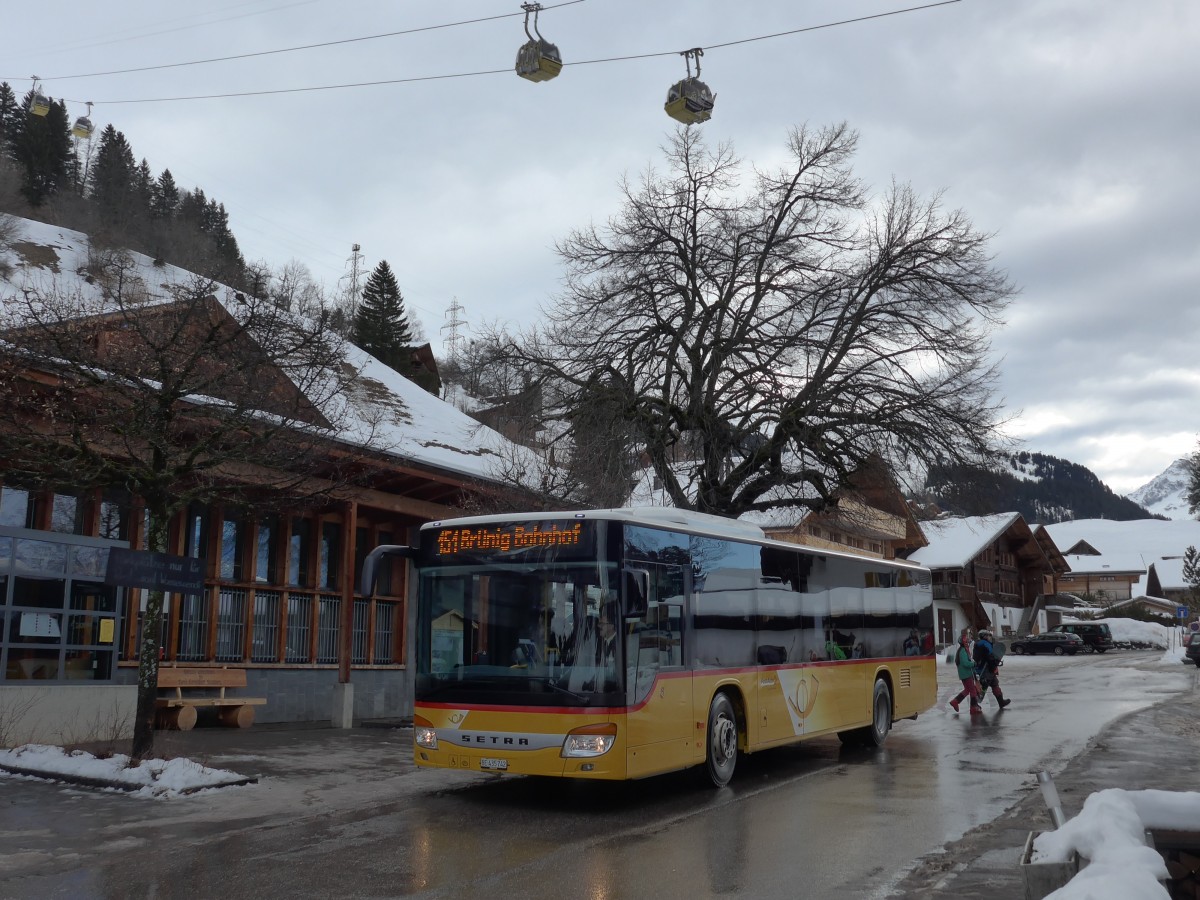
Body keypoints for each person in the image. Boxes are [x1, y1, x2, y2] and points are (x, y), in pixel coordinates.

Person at [973, 629, 1010, 708]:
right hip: (987, 669)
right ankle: (974, 704)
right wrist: (994, 665)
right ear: (984, 636)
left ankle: (1001, 702)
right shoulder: (986, 644)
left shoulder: (977, 644)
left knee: (995, 684)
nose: (989, 637)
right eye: (987, 635)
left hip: (981, 668)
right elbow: (990, 657)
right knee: (983, 687)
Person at [948, 629, 982, 714]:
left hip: (965, 674)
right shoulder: (962, 651)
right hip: (966, 674)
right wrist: (973, 664)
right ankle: (973, 707)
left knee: (967, 690)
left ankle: (955, 701)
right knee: (973, 690)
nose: (968, 643)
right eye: (966, 642)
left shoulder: (964, 650)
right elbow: (965, 663)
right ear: (963, 643)